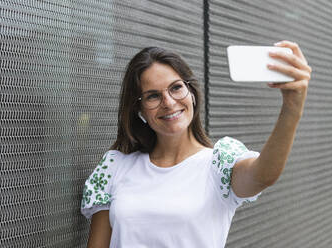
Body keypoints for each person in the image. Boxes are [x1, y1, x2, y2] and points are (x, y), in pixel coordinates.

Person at [81, 40, 312, 248]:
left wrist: (292, 108)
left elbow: (263, 175)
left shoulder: (219, 165)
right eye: (153, 96)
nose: (169, 103)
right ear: (139, 110)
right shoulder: (114, 168)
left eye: (176, 87)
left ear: (191, 92)